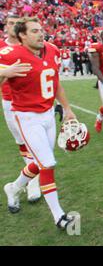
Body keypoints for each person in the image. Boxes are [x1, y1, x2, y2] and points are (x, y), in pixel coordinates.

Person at [0, 17, 76, 229]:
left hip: (48, 113)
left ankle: (13, 188)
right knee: (47, 164)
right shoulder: (11, 53)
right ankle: (59, 216)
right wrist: (4, 72)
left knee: (41, 160)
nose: (40, 34)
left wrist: (67, 109)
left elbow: (56, 82)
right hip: (26, 116)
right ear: (22, 35)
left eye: (41, 30)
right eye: (34, 31)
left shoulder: (52, 50)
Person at [0, 13, 41, 203]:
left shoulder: (31, 45)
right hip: (10, 101)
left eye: (18, 24)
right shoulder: (2, 47)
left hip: (34, 100)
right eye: (11, 23)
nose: (14, 26)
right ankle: (31, 181)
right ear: (5, 27)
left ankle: (30, 182)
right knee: (23, 142)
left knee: (36, 144)